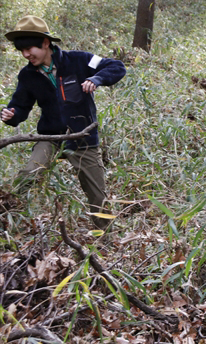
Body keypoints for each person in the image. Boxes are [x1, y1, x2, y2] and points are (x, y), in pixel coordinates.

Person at [2, 15, 126, 229]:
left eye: (30, 48)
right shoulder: (28, 75)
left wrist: (96, 79)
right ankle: (8, 223)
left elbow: (116, 66)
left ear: (46, 43)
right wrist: (12, 115)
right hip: (50, 137)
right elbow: (20, 106)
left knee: (98, 196)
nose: (26, 55)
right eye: (21, 50)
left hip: (82, 137)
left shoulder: (78, 60)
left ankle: (103, 237)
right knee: (28, 176)